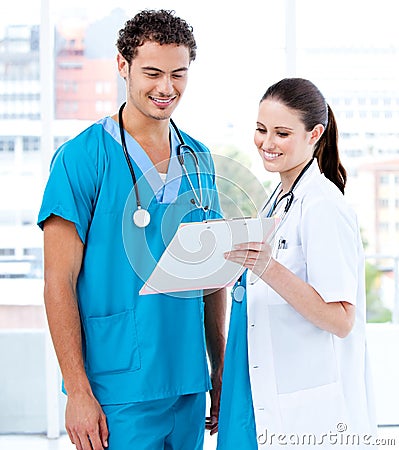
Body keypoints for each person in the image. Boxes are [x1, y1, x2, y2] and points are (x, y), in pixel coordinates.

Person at [38, 9, 226, 450]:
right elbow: (57, 281)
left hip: (186, 380)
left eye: (178, 74)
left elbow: (211, 274)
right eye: (152, 72)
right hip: (115, 386)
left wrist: (218, 368)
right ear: (122, 66)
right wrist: (77, 390)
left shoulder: (198, 159)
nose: (167, 88)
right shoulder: (82, 158)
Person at [217, 78, 376, 449]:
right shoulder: (278, 199)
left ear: (314, 134)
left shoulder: (322, 205)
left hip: (305, 410)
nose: (266, 143)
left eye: (282, 133)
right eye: (261, 130)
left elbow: (340, 319)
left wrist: (267, 268)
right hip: (257, 387)